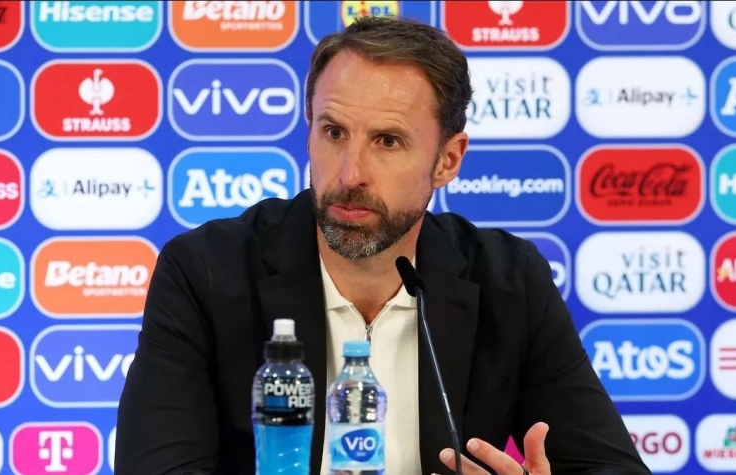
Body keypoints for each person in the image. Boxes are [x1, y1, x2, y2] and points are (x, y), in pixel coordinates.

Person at [115, 15, 651, 475]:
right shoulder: (207, 273)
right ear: (308, 130)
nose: (350, 174)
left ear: (448, 160)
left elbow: (612, 466)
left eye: (387, 141)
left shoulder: (508, 281)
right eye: (334, 133)